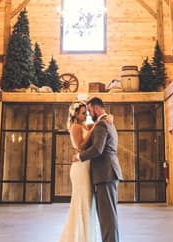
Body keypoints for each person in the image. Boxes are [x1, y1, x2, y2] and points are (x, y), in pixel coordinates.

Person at [76, 97, 123, 242]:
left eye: (89, 111)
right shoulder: (108, 122)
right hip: (108, 173)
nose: (89, 114)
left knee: (107, 217)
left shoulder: (102, 125)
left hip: (105, 174)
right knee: (108, 216)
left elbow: (97, 149)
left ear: (96, 108)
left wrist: (79, 157)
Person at [59, 101, 100, 242]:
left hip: (86, 166)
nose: (86, 115)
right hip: (80, 168)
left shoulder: (84, 125)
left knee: (88, 201)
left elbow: (98, 123)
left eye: (87, 112)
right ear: (76, 114)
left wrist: (105, 118)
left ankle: (86, 236)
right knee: (80, 201)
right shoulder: (75, 127)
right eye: (83, 113)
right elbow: (81, 146)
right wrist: (93, 128)